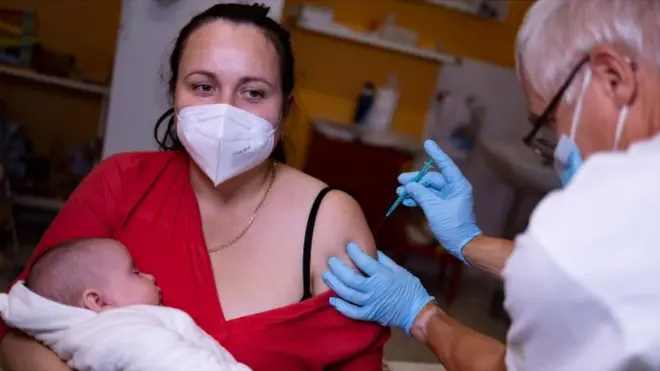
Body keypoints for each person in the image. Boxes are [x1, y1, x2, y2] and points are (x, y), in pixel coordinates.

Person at [0, 4, 389, 371]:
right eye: (204, 87)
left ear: (285, 110)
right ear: (174, 94)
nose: (225, 111)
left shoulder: (329, 221)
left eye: (253, 92)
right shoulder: (120, 182)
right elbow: (19, 329)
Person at [323, 0, 660, 370]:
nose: (556, 143)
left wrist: (420, 316)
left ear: (614, 79)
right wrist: (470, 242)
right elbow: (609, 274)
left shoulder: (576, 240)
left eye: (549, 122)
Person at [1, 238, 250, 371]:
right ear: (97, 301)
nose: (150, 277)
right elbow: (173, 362)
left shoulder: (97, 334)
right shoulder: (117, 331)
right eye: (135, 271)